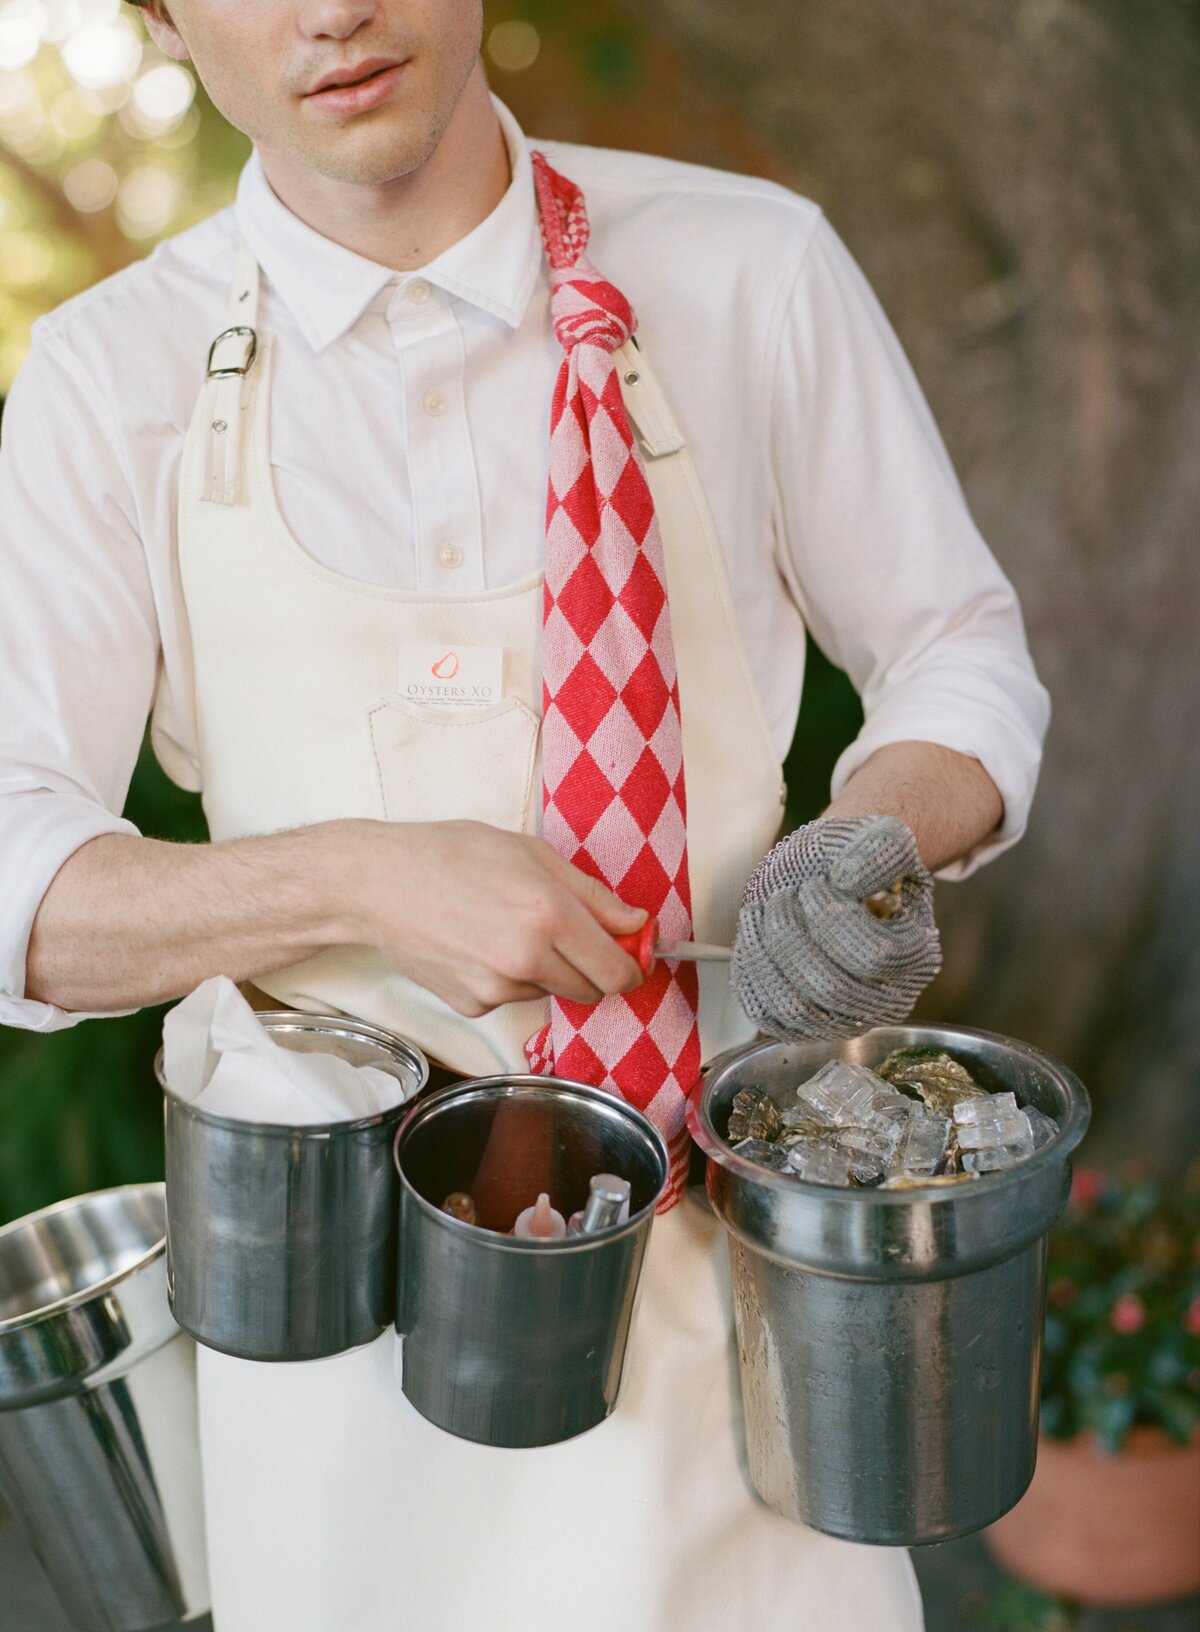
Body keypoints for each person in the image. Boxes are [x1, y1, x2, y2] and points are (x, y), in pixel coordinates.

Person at [0, 2, 1049, 1628]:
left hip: (748, 1270)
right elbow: (23, 899)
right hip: (342, 1317)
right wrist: (358, 877)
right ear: (159, 15)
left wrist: (876, 835)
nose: (331, 10)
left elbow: (957, 651)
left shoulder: (747, 266)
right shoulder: (109, 374)